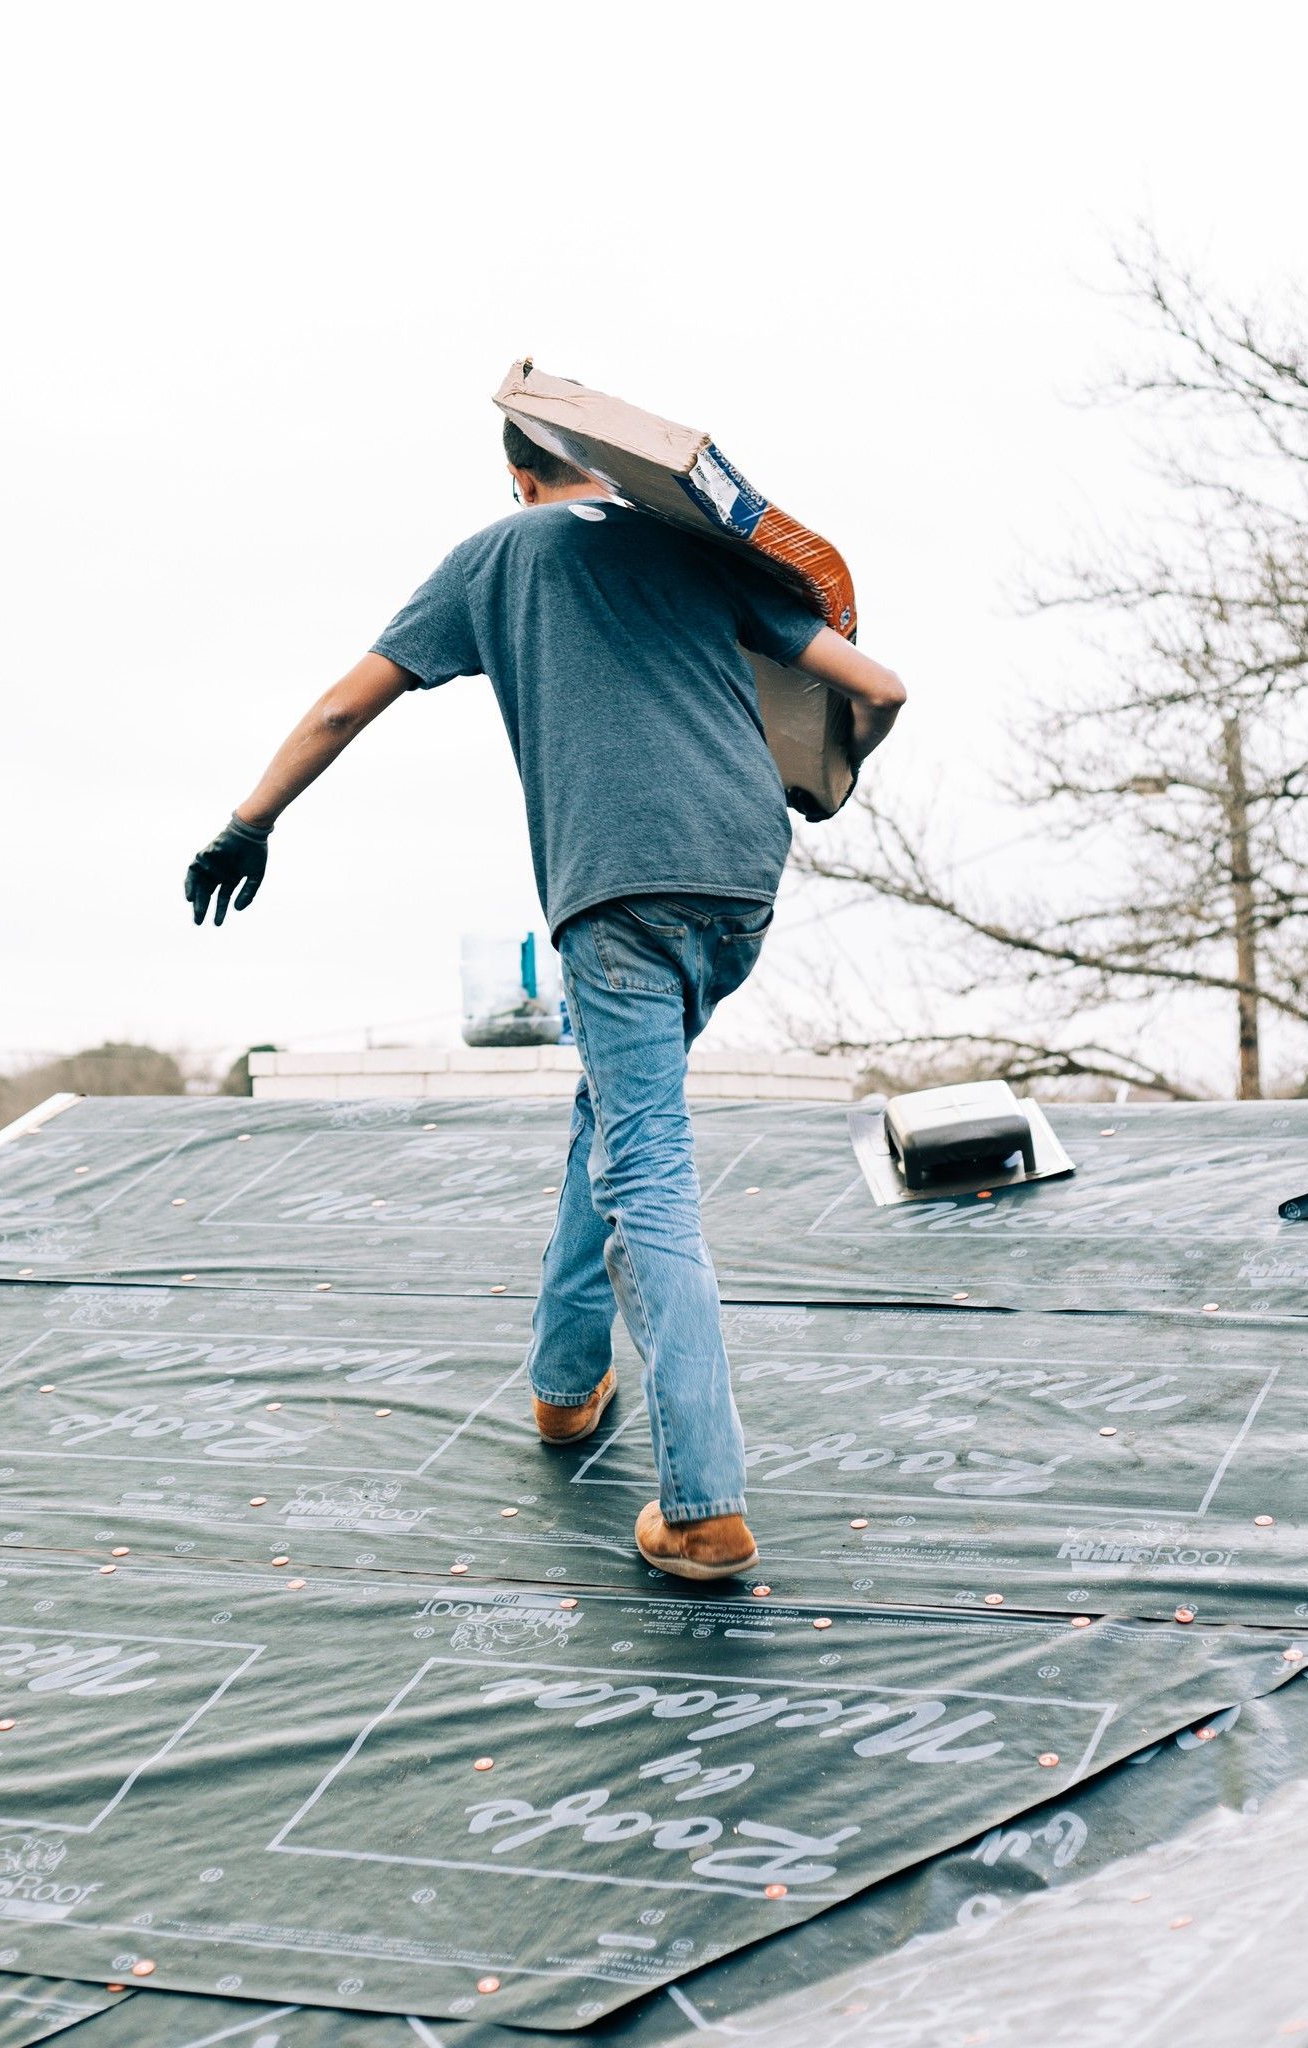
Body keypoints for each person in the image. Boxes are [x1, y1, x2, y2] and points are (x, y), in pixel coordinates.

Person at [185, 419, 906, 1579]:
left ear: (519, 475)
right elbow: (879, 687)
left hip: (619, 887)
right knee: (618, 1116)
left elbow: (341, 707)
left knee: (649, 1173)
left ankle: (705, 1505)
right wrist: (824, 778)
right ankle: (567, 1386)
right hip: (740, 882)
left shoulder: (495, 556)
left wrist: (248, 821)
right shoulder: (691, 546)